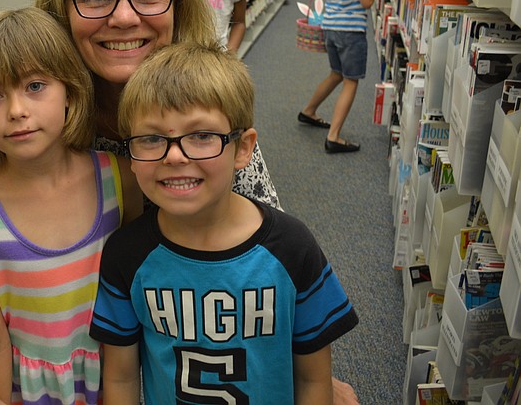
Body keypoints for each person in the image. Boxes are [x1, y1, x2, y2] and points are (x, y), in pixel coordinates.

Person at [0, 0, 358, 405]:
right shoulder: (38, 121)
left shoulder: (206, 109)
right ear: (59, 11)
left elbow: (265, 252)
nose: (124, 16)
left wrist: (301, 368)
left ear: (179, 2)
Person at [91, 41, 359, 403]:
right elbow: (122, 380)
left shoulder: (292, 248)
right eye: (152, 139)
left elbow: (313, 380)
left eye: (201, 136)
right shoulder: (126, 255)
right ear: (131, 154)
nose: (174, 156)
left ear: (244, 148)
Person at [0, 7, 143, 403]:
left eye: (35, 86)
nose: (16, 111)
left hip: (117, 383)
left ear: (71, 91)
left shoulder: (122, 180)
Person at [299, 0, 383, 154]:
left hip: (330, 28)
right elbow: (367, 1)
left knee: (336, 73)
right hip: (351, 31)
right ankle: (334, 136)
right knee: (350, 81)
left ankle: (309, 111)